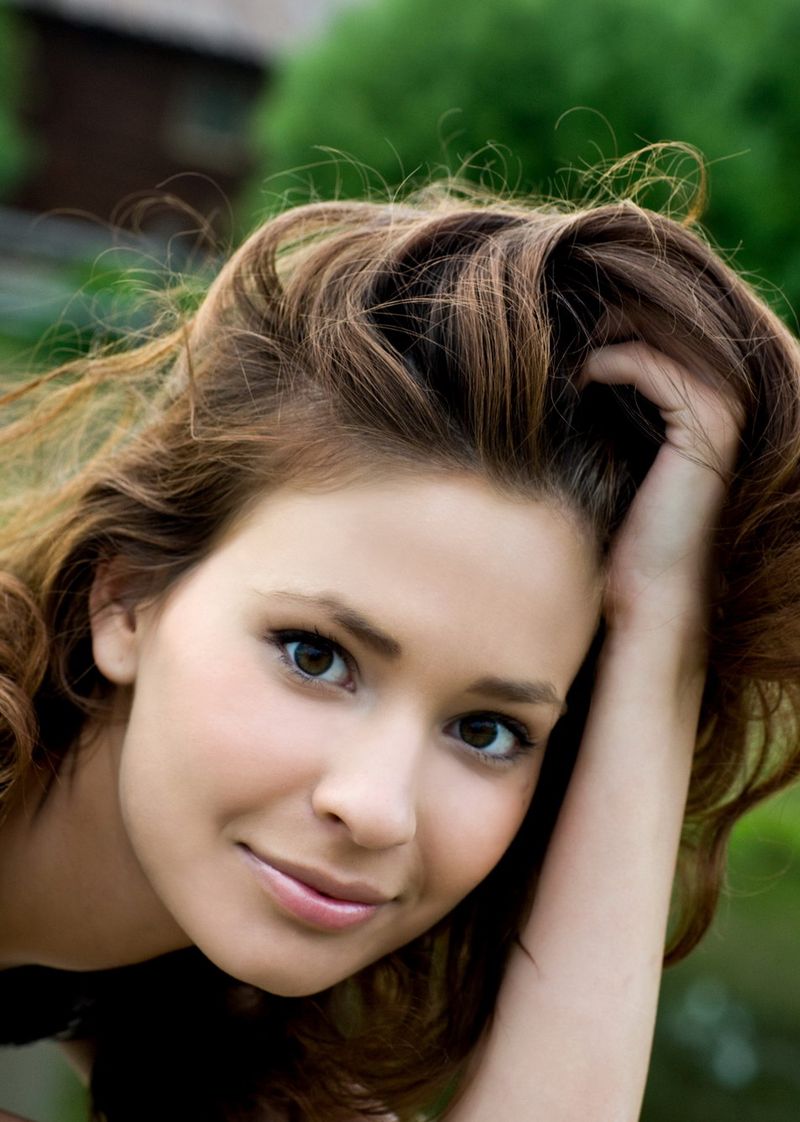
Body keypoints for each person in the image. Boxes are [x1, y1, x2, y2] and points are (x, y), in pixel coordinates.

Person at [0, 181, 799, 1122]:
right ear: (127, 597)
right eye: (313, 655)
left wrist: (663, 647)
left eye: (489, 730)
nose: (376, 809)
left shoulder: (196, 985)